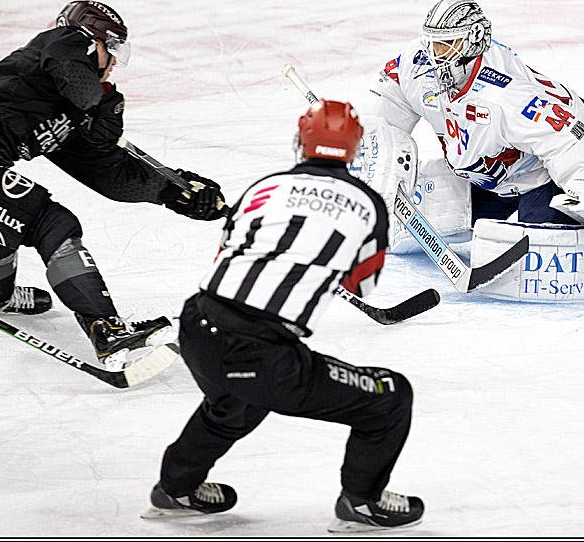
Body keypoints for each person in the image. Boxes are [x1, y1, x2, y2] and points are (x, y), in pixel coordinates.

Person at [142, 99, 423, 533]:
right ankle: (362, 502)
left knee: (234, 403)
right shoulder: (368, 204)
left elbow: (225, 256)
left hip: (197, 323)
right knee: (388, 397)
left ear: (301, 142)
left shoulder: (264, 187)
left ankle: (176, 487)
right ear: (352, 150)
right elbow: (361, 285)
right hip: (260, 353)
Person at [0, 0, 226, 369]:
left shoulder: (58, 100)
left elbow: (108, 173)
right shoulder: (57, 48)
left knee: (3, 219)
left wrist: (174, 191)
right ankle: (106, 329)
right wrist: (97, 100)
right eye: (112, 48)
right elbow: (63, 52)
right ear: (90, 41)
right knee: (49, 222)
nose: (115, 62)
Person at [361, 0, 584, 244]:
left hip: (539, 174)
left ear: (473, 40)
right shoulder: (417, 64)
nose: (435, 55)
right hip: (485, 174)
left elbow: (566, 134)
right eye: (433, 44)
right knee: (405, 222)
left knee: (543, 247)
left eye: (447, 45)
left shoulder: (507, 94)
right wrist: (375, 159)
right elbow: (388, 102)